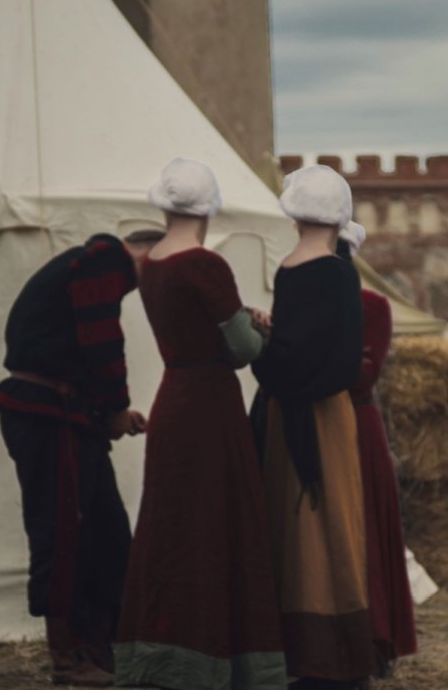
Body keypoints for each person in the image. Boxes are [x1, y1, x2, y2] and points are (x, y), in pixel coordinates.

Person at [114, 159, 286, 690]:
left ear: (164, 206)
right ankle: (219, 661)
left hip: (174, 401)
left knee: (172, 531)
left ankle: (163, 659)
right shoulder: (205, 265)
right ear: (208, 208)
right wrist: (262, 330)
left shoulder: (151, 264)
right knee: (217, 528)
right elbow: (238, 350)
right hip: (211, 408)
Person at [0, 229, 159, 686]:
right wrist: (115, 406)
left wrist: (109, 412)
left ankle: (101, 649)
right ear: (148, 253)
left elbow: (78, 349)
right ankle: (68, 657)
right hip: (49, 417)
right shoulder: (103, 260)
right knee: (64, 532)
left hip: (68, 414)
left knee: (104, 530)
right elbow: (102, 344)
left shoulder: (91, 266)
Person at [250, 165, 372, 688]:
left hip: (300, 415)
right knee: (327, 524)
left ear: (295, 214)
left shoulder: (302, 269)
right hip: (321, 413)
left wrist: (265, 349)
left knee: (307, 523)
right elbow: (332, 351)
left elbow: (301, 352)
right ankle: (330, 652)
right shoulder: (337, 272)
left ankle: (317, 654)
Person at [337, 221, 418, 675]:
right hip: (313, 424)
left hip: (356, 427)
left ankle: (371, 636)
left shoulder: (372, 306)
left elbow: (362, 374)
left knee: (364, 524)